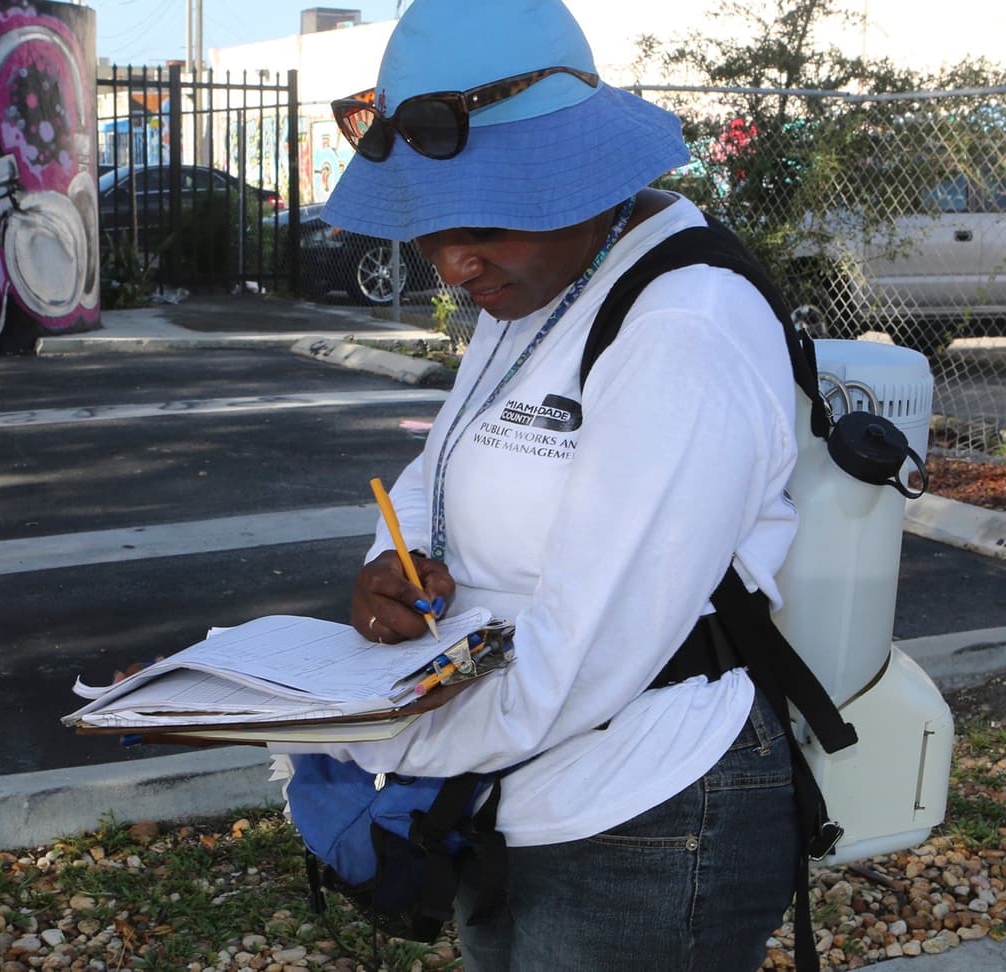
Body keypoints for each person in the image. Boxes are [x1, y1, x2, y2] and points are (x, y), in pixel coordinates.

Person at [281, 1, 803, 968]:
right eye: (430, 227)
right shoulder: (534, 283)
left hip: (645, 812)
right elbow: (439, 469)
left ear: (586, 169)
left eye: (482, 218)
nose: (452, 261)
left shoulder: (681, 330)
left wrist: (359, 732)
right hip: (507, 787)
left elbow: (585, 656)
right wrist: (391, 569)